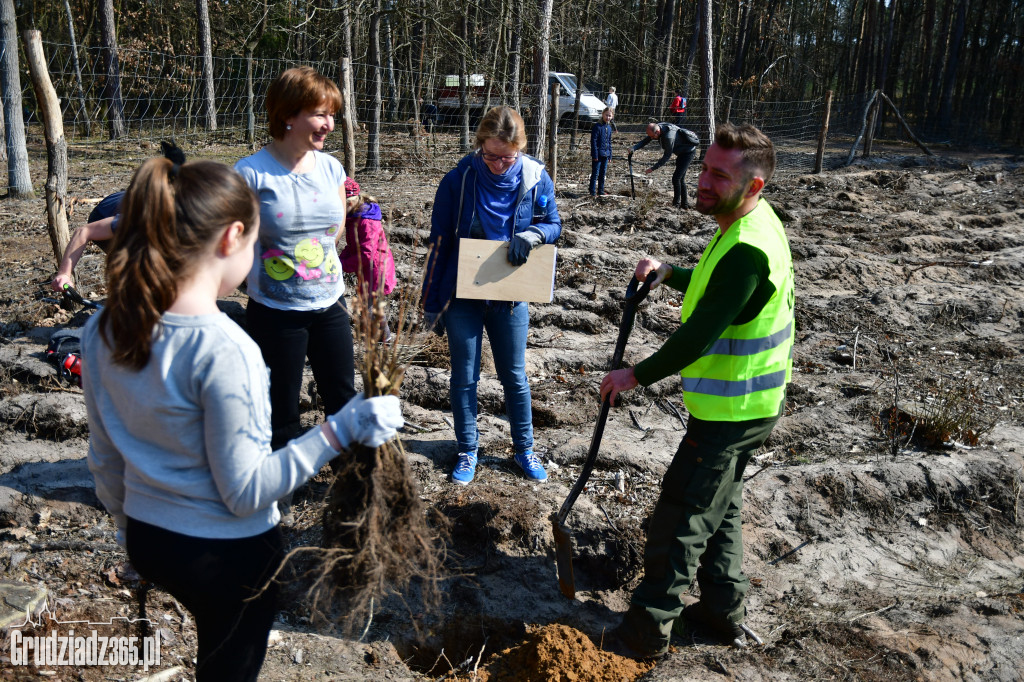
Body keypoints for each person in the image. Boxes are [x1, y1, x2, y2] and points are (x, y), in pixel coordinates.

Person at [82, 156, 403, 681]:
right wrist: (343, 427)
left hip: (148, 538)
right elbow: (247, 491)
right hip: (225, 556)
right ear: (232, 237)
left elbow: (104, 456)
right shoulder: (227, 348)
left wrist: (129, 529)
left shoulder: (104, 327)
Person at [600, 123, 793, 659]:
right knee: (719, 505)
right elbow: (718, 288)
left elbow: (700, 334)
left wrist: (634, 375)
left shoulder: (747, 249)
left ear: (754, 185)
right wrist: (671, 273)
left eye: (719, 175)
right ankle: (722, 610)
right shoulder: (748, 223)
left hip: (733, 411)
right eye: (704, 167)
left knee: (682, 514)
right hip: (747, 405)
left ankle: (646, 630)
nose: (703, 180)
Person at [423, 105, 562, 486]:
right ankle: (468, 449)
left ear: (520, 149)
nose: (499, 165)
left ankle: (524, 449)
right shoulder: (458, 180)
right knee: (464, 376)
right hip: (462, 294)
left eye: (507, 158)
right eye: (491, 156)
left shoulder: (536, 179)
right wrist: (431, 302)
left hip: (510, 295)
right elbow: (439, 242)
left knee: (514, 376)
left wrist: (534, 234)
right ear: (479, 144)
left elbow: (553, 224)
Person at [234, 67, 356, 459]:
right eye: (320, 114)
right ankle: (281, 484)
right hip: (275, 310)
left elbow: (335, 229)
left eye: (332, 115)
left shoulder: (331, 168)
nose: (329, 125)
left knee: (343, 399)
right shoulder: (250, 173)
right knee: (280, 407)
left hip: (330, 303)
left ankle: (347, 480)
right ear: (288, 115)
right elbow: (234, 239)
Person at [51, 142, 186, 292]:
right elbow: (84, 232)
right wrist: (64, 274)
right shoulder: (136, 220)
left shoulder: (189, 214)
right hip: (103, 213)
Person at [341, 177, 396, 342]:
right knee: (370, 305)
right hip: (368, 269)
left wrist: (343, 264)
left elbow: (366, 253)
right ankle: (382, 339)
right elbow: (353, 247)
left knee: (371, 307)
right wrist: (339, 259)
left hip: (376, 270)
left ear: (351, 202)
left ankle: (383, 341)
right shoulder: (354, 218)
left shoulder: (365, 221)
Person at [628, 121, 700, 209]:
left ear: (657, 132)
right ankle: (684, 205)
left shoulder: (668, 137)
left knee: (676, 178)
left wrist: (653, 168)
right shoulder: (659, 127)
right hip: (681, 152)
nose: (651, 138)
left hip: (688, 153)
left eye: (652, 136)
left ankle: (676, 204)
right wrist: (634, 148)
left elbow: (667, 156)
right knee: (680, 179)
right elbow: (646, 140)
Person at [589, 107, 615, 197]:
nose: (608, 117)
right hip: (598, 154)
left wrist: (610, 155)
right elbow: (593, 141)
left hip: (606, 154)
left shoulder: (609, 128)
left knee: (603, 173)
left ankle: (601, 190)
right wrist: (595, 154)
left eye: (609, 116)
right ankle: (592, 191)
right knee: (595, 173)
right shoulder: (597, 126)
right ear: (603, 114)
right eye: (606, 115)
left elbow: (609, 142)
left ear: (612, 116)